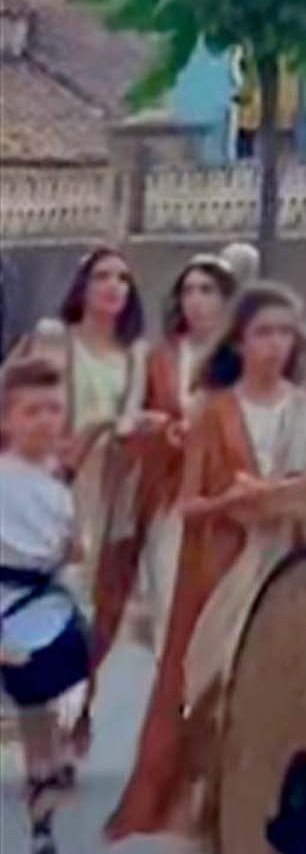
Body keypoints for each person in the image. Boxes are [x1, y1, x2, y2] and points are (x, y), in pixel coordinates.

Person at [107, 284, 306, 846]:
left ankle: (258, 805)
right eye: (263, 333)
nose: (275, 345)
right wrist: (235, 503)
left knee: (278, 689)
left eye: (285, 333)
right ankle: (213, 805)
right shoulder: (215, 412)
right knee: (218, 688)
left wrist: (292, 504)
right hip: (225, 567)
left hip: (287, 561)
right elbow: (190, 503)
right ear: (240, 340)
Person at [0, 348, 92, 854]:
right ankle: (43, 838)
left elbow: (69, 552)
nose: (43, 421)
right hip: (9, 609)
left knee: (46, 728)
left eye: (53, 409)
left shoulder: (61, 484)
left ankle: (44, 835)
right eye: (31, 411)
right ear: (7, 418)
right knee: (37, 726)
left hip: (48, 609)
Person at [50, 248, 155, 712]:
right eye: (102, 277)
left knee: (100, 601)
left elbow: (130, 417)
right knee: (60, 591)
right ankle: (54, 711)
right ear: (83, 287)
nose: (114, 287)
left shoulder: (136, 355)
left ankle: (78, 707)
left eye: (123, 279)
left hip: (114, 484)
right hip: (60, 477)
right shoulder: (58, 341)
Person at [123, 258, 240, 659]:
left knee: (221, 609)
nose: (196, 300)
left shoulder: (240, 358)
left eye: (206, 291)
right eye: (188, 291)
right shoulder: (160, 359)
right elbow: (129, 418)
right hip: (170, 494)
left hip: (227, 497)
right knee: (170, 603)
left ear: (226, 299)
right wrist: (157, 423)